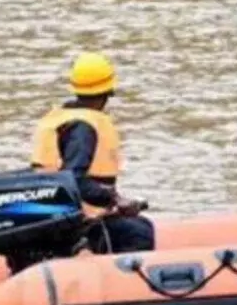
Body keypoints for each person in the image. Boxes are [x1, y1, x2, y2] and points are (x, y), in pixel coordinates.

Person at [30, 52, 154, 253]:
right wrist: (114, 199)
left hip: (55, 215)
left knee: (137, 225)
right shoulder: (83, 127)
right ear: (107, 92)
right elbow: (73, 180)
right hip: (76, 222)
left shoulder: (62, 118)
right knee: (139, 232)